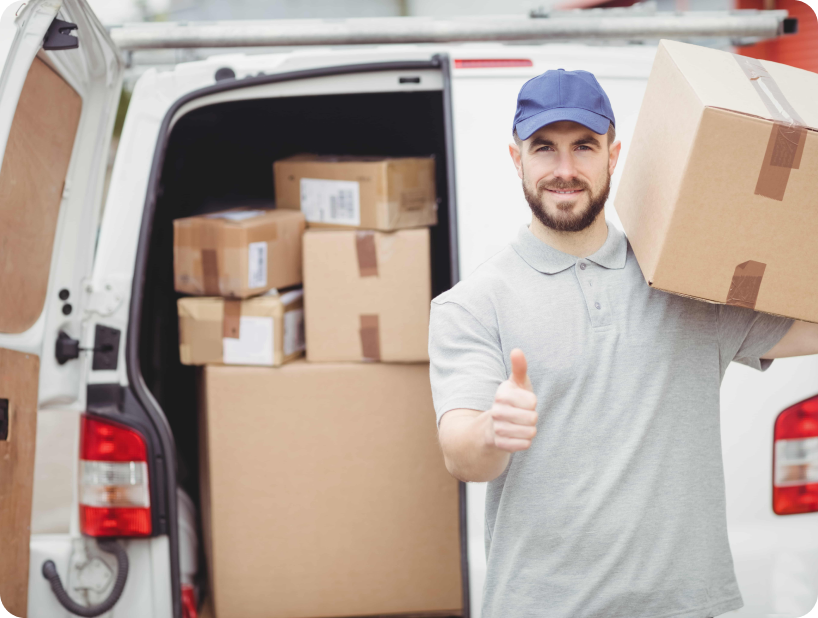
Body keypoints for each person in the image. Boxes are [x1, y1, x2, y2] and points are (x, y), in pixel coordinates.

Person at [428, 68, 818, 618]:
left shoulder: (686, 283)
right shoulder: (471, 305)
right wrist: (494, 431)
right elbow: (461, 453)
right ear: (517, 159)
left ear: (613, 154)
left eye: (583, 146)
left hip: (684, 608)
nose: (565, 170)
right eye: (545, 148)